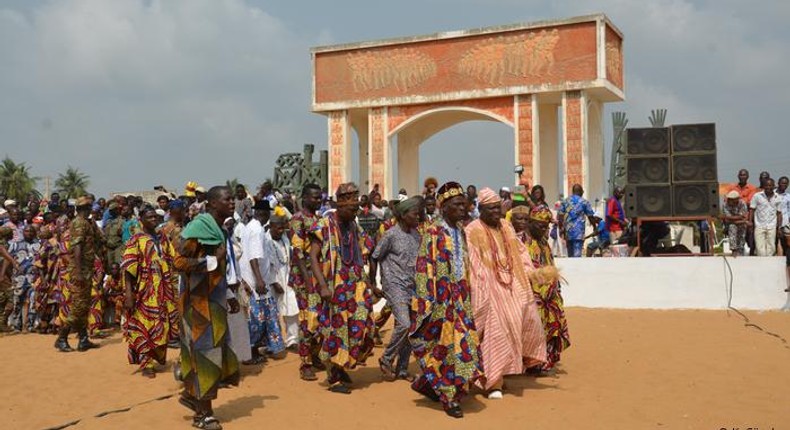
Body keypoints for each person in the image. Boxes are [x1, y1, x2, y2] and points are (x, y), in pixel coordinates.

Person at [410, 182, 483, 418]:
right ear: (444, 207)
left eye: (464, 204)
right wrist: (428, 304)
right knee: (445, 347)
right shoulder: (433, 232)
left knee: (465, 342)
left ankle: (431, 385)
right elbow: (423, 268)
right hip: (440, 301)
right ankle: (449, 397)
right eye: (457, 205)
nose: (463, 208)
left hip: (460, 297)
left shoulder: (461, 230)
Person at [465, 188, 546, 399]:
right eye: (490, 209)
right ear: (481, 209)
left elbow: (520, 253)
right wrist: (483, 289)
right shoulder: (473, 229)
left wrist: (531, 273)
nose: (495, 212)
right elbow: (474, 263)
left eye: (497, 208)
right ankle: (494, 383)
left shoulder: (506, 226)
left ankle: (503, 372)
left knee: (523, 321)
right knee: (496, 329)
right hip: (489, 286)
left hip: (512, 283)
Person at [174, 186, 240, 429]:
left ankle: (192, 396)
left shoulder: (219, 229)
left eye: (232, 198)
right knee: (205, 355)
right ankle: (203, 416)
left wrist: (230, 292)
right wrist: (213, 260)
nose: (232, 202)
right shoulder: (199, 228)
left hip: (215, 300)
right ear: (212, 203)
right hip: (198, 304)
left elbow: (223, 266)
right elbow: (178, 262)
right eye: (227, 199)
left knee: (213, 352)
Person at [309, 182, 375, 394]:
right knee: (336, 329)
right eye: (351, 209)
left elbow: (366, 249)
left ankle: (343, 364)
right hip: (333, 284)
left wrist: (369, 283)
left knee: (361, 324)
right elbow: (312, 257)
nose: (354, 212)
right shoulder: (324, 225)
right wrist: (322, 286)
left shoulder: (354, 225)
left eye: (356, 208)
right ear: (339, 206)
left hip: (355, 282)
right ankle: (334, 374)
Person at [369, 196, 422, 382]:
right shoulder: (391, 234)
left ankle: (402, 368)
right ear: (403, 215)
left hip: (411, 285)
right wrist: (373, 283)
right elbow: (374, 256)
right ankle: (386, 359)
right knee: (404, 324)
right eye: (415, 214)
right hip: (393, 284)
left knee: (411, 329)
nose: (418, 217)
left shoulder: (417, 235)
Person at [514, 205, 571, 373]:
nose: (545, 229)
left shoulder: (544, 242)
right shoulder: (519, 241)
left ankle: (540, 361)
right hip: (529, 297)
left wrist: (556, 287)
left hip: (548, 297)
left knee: (551, 327)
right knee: (530, 331)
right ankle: (528, 363)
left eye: (547, 226)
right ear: (530, 223)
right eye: (541, 226)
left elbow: (550, 264)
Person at [121, 206, 177, 378]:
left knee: (162, 323)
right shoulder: (136, 240)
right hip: (145, 290)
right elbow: (128, 268)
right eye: (149, 216)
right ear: (141, 219)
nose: (154, 219)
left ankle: (156, 356)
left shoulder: (162, 238)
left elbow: (172, 259)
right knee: (144, 325)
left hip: (164, 290)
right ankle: (146, 363)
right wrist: (129, 294)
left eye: (155, 216)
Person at [54, 196, 103, 353]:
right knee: (78, 307)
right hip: (80, 271)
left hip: (86, 270)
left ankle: (83, 340)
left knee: (84, 306)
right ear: (85, 209)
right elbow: (77, 248)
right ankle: (61, 338)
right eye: (89, 208)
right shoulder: (79, 223)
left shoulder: (87, 223)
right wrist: (79, 271)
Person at [240, 199, 285, 363]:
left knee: (263, 316)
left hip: (256, 278)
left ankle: (259, 348)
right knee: (257, 319)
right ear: (263, 213)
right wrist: (259, 280)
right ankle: (249, 352)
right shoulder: (257, 230)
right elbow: (254, 257)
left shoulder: (250, 227)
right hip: (256, 281)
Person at [288, 183, 325, 381]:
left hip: (320, 276)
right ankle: (306, 363)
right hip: (305, 278)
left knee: (321, 318)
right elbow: (298, 252)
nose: (318, 201)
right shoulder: (297, 220)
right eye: (314, 197)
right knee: (307, 320)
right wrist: (308, 282)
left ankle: (316, 354)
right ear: (304, 197)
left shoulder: (319, 219)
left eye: (320, 197)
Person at [265, 207, 299, 351]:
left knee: (292, 308)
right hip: (272, 281)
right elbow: (266, 264)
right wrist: (273, 281)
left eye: (282, 228)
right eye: (278, 228)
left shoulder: (285, 238)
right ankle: (274, 343)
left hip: (287, 277)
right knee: (273, 312)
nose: (280, 231)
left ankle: (293, 340)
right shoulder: (265, 240)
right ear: (271, 226)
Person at [558, 184, 597, 258]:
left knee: (570, 254)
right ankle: (576, 268)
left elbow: (560, 216)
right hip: (579, 232)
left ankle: (571, 268)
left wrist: (561, 228)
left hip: (568, 232)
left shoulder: (565, 201)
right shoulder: (584, 202)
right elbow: (590, 216)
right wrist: (595, 227)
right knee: (577, 255)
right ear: (581, 192)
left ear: (573, 191)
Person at [728, 169, 759, 255]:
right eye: (741, 175)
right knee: (733, 235)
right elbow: (727, 201)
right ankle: (736, 253)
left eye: (744, 175)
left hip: (747, 217)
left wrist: (736, 201)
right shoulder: (732, 187)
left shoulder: (752, 188)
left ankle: (752, 256)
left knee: (750, 240)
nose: (742, 177)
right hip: (733, 218)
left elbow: (750, 203)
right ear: (738, 176)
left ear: (748, 177)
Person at [749, 178, 782, 257]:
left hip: (772, 226)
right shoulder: (757, 196)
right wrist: (750, 222)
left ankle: (769, 265)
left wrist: (779, 227)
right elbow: (752, 210)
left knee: (771, 247)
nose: (768, 187)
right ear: (763, 186)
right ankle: (762, 265)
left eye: (770, 185)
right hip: (759, 225)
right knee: (759, 248)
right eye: (766, 185)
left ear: (774, 186)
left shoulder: (777, 197)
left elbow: (779, 213)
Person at [721, 191, 750, 257]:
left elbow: (744, 217)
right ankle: (733, 249)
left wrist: (741, 220)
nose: (729, 200)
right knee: (732, 227)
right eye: (729, 199)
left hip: (741, 225)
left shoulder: (742, 203)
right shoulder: (725, 205)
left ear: (736, 199)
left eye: (731, 199)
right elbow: (727, 219)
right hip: (731, 224)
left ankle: (740, 251)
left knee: (741, 238)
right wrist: (740, 218)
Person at [776, 177, 790, 291]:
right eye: (782, 183)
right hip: (773, 223)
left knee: (785, 244)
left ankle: (783, 260)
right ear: (778, 183)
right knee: (776, 242)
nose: (783, 185)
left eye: (786, 183)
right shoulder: (774, 195)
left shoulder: (788, 196)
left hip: (785, 223)